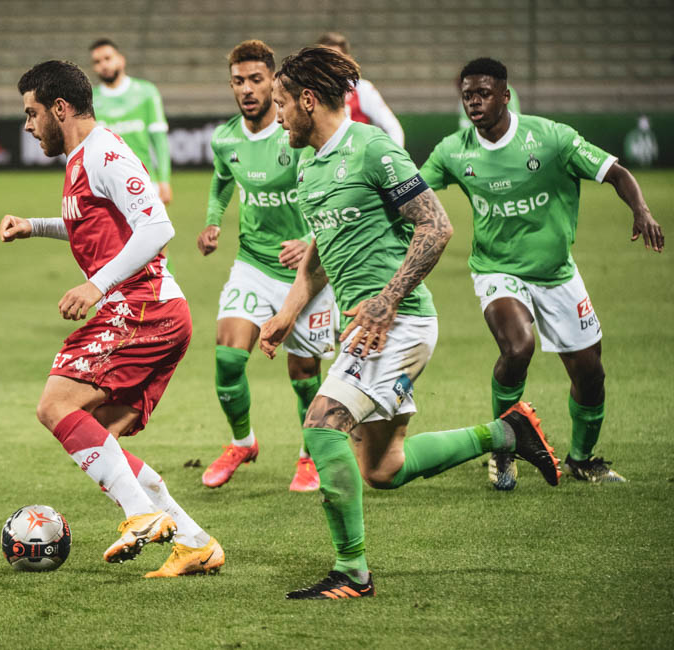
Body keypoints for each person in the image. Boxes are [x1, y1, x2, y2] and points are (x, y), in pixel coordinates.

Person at [259, 47, 561, 599]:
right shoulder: (308, 164)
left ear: (308, 100)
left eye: (281, 104)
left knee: (322, 425)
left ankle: (352, 574)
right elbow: (323, 248)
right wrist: (288, 312)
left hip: (398, 324)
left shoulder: (372, 148)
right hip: (368, 327)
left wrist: (387, 299)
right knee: (383, 469)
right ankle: (506, 432)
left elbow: (436, 226)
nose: (276, 115)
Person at [0, 60, 223, 578]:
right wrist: (34, 226)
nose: (28, 125)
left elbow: (157, 227)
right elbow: (92, 221)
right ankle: (194, 543)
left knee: (55, 405)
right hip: (149, 310)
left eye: (32, 113)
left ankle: (141, 513)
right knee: (99, 437)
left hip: (144, 307)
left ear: (59, 108)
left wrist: (95, 285)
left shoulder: (104, 153)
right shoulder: (83, 158)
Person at [421, 57, 663, 489]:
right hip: (496, 269)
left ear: (505, 95)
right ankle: (502, 447)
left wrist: (641, 211)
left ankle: (582, 460)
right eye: (467, 95)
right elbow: (411, 193)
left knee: (590, 374)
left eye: (483, 94)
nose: (474, 102)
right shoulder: (452, 151)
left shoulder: (551, 138)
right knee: (518, 347)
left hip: (555, 272)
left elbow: (616, 173)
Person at [197, 40, 336, 492]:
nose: (247, 89)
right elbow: (222, 179)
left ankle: (309, 455)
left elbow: (329, 191)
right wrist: (212, 221)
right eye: (238, 81)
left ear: (273, 82)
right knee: (227, 358)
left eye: (256, 79)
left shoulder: (295, 133)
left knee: (303, 375)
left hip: (306, 272)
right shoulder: (225, 139)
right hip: (253, 263)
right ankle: (243, 442)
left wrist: (311, 241)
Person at [89, 39, 173, 204]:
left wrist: (164, 180)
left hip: (145, 182)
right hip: (105, 187)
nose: (103, 65)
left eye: (108, 58)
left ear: (121, 60)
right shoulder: (89, 99)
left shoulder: (146, 92)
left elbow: (160, 142)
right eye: (97, 62)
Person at [315, 33, 404, 146]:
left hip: (355, 154)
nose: (330, 64)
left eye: (336, 58)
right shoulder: (308, 92)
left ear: (346, 60)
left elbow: (392, 128)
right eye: (325, 59)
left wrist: (394, 156)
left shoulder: (362, 89)